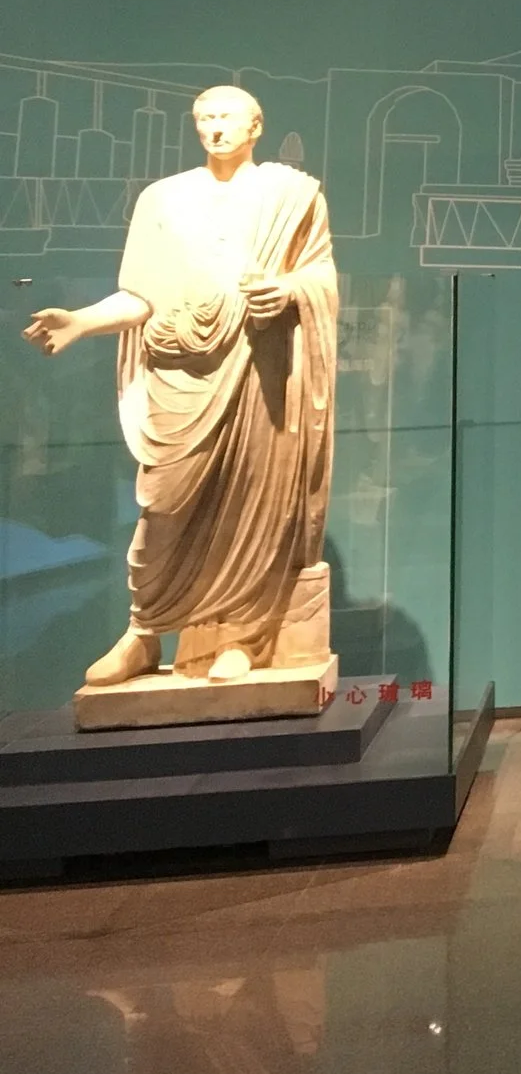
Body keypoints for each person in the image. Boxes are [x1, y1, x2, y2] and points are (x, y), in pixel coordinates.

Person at [21, 86, 338, 688]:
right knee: (163, 507)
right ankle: (144, 632)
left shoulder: (291, 196)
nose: (215, 129)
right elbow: (141, 294)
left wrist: (293, 291)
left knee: (253, 502)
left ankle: (245, 635)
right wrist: (82, 321)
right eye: (204, 120)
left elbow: (319, 273)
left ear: (256, 125)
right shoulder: (162, 198)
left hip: (257, 371)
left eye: (226, 118)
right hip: (181, 372)